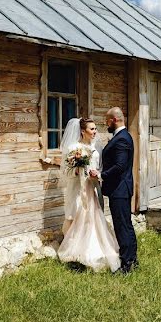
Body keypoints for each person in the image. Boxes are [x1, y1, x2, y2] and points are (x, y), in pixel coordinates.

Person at [57, 117, 120, 273]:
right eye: (91, 129)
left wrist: (96, 175)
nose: (95, 132)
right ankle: (72, 252)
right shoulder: (73, 148)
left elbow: (97, 170)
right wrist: (78, 169)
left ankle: (90, 251)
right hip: (76, 188)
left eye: (95, 129)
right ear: (82, 131)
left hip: (90, 189)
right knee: (74, 216)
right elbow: (66, 172)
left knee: (90, 219)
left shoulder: (94, 151)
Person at [91, 107, 138, 273]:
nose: (105, 123)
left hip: (120, 190)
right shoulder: (120, 137)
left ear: (114, 120)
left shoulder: (122, 139)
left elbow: (120, 166)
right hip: (119, 189)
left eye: (107, 120)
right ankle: (132, 259)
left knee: (122, 226)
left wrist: (101, 175)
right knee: (125, 225)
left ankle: (126, 264)